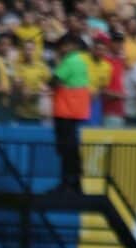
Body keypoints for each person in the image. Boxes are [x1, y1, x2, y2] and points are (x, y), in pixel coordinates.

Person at [49, 33, 89, 193]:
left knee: (66, 149)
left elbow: (54, 81)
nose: (61, 49)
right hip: (75, 110)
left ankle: (67, 183)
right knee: (72, 148)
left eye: (63, 46)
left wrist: (56, 63)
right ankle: (76, 183)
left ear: (71, 45)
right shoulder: (81, 61)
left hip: (66, 110)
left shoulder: (69, 60)